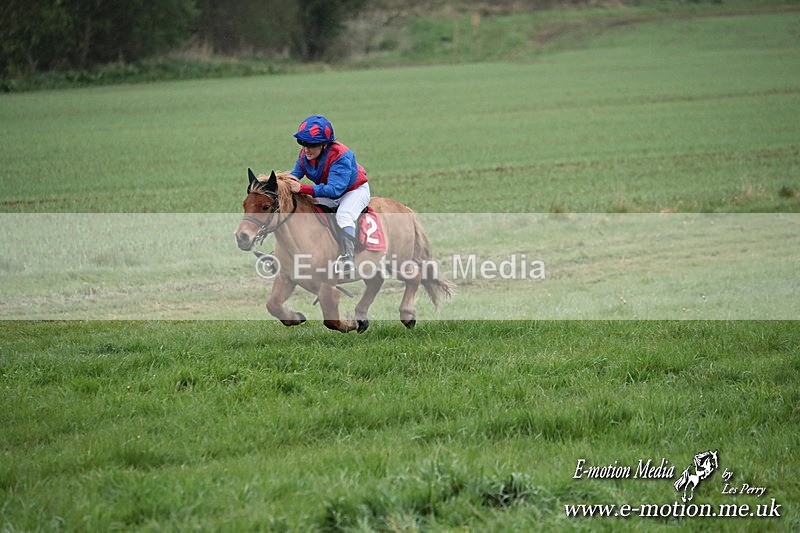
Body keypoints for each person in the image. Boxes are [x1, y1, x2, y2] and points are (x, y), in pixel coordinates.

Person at [287, 115, 370, 274]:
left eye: (311, 144)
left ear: (325, 145)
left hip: (353, 191)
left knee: (344, 215)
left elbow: (334, 191)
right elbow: (294, 176)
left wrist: (304, 188)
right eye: (303, 143)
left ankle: (348, 257)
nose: (306, 149)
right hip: (331, 190)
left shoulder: (341, 155)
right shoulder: (305, 155)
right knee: (307, 208)